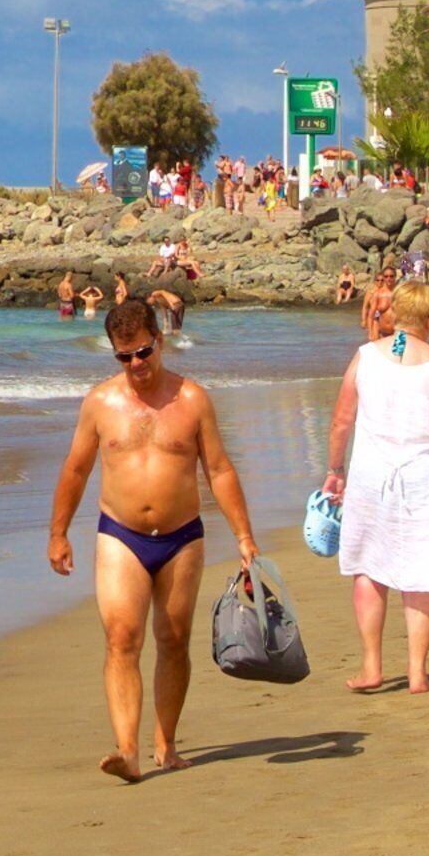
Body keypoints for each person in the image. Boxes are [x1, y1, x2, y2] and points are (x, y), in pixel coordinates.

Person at [46, 299, 261, 780]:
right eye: (124, 357)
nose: (136, 366)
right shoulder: (101, 403)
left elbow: (220, 469)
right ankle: (127, 750)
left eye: (143, 353)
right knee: (122, 637)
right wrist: (58, 532)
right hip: (120, 534)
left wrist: (244, 536)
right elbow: (76, 468)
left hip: (183, 536)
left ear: (159, 340)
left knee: (174, 639)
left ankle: (166, 745)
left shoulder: (192, 400)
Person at [319, 281, 429, 693]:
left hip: (371, 474)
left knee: (368, 567)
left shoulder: (365, 357)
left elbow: (342, 420)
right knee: (421, 570)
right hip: (425, 477)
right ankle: (417, 672)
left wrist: (334, 469)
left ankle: (372, 667)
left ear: (392, 315)